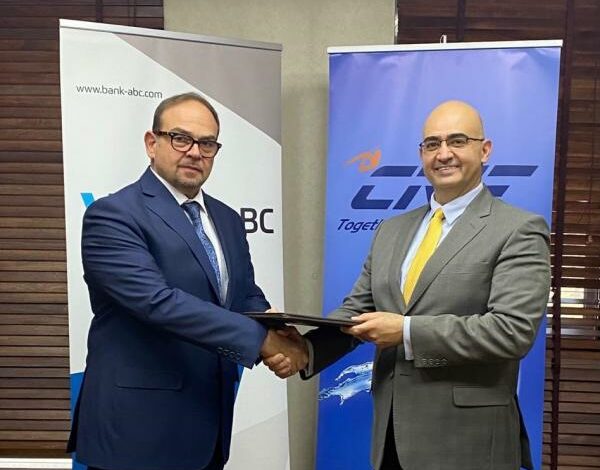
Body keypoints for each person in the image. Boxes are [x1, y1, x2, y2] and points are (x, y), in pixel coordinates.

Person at [265, 100, 551, 470]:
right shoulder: (392, 230)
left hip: (471, 442)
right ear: (421, 154)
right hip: (392, 438)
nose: (443, 154)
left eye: (457, 141)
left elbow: (511, 331)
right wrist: (305, 349)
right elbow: (359, 311)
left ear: (485, 150)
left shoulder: (519, 230)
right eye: (432, 144)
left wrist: (406, 331)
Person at [67, 92, 306, 470]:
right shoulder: (113, 215)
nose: (195, 152)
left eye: (207, 143)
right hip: (135, 432)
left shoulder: (227, 219)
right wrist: (261, 341)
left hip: (206, 424)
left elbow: (243, 295)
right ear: (152, 143)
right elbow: (157, 302)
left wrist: (280, 331)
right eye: (181, 138)